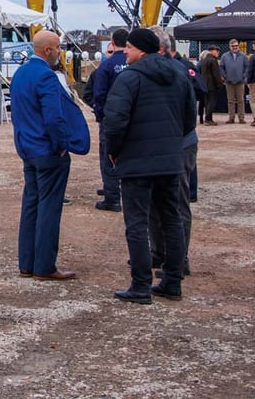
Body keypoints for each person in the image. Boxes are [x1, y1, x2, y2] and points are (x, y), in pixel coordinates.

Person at [102, 28, 196, 304]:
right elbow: (189, 118)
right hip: (170, 159)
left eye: (128, 47)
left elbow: (115, 120)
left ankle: (141, 284)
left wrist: (114, 151)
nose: (125, 52)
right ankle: (172, 281)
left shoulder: (129, 78)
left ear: (141, 50)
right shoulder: (179, 75)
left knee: (137, 223)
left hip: (137, 160)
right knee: (172, 219)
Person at [9, 29, 79, 282]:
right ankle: (44, 265)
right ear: (47, 50)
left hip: (27, 148)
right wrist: (61, 144)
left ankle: (27, 263)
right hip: (47, 150)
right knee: (49, 207)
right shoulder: (46, 77)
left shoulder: (20, 74)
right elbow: (54, 116)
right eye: (58, 48)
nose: (60, 52)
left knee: (31, 205)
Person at [150, 29, 199, 276]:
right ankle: (160, 252)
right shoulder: (162, 71)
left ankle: (178, 259)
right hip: (173, 143)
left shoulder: (176, 73)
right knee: (157, 202)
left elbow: (189, 114)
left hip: (178, 144)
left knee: (176, 202)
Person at [90, 28, 129, 213]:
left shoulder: (106, 66)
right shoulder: (135, 63)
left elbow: (99, 94)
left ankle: (112, 196)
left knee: (109, 156)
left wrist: (101, 116)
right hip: (132, 118)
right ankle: (122, 190)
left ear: (112, 42)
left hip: (111, 118)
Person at [220, 39, 249, 124]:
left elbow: (247, 67)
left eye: (236, 46)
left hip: (240, 82)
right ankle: (231, 118)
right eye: (233, 46)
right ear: (230, 46)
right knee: (230, 101)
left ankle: (241, 118)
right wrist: (225, 77)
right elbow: (221, 67)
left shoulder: (243, 56)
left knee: (241, 100)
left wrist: (243, 77)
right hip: (229, 82)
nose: (235, 47)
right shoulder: (224, 56)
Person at [197, 46, 223, 125]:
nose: (218, 52)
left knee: (207, 102)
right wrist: (219, 84)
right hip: (212, 85)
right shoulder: (213, 60)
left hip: (205, 85)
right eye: (217, 51)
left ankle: (209, 119)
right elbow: (216, 74)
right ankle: (208, 119)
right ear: (212, 51)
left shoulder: (204, 60)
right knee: (211, 102)